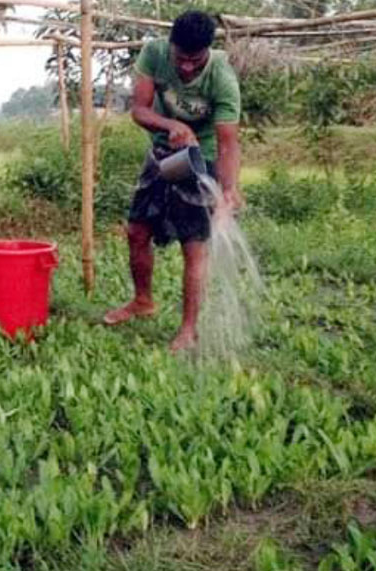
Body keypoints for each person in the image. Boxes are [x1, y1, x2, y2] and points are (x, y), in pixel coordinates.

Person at [103, 10, 243, 354]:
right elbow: (139, 110)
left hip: (202, 160)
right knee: (136, 232)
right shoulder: (154, 53)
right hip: (161, 153)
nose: (186, 68)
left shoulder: (222, 78)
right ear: (171, 46)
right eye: (181, 58)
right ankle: (142, 301)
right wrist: (171, 126)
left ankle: (188, 329)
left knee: (193, 247)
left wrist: (227, 191)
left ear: (207, 52)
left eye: (195, 61)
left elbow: (228, 143)